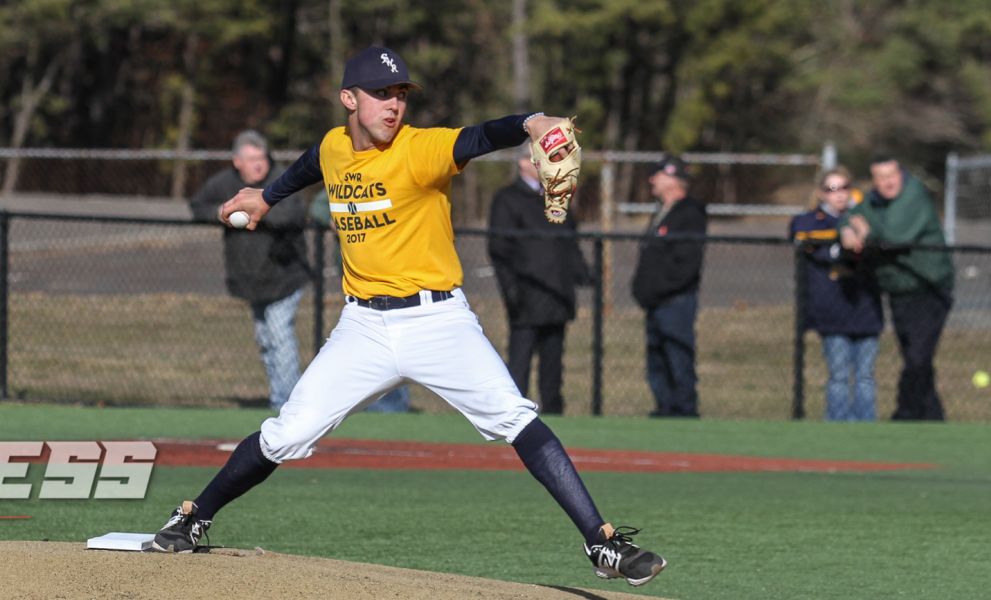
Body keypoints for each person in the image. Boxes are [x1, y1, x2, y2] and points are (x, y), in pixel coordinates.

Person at [152, 46, 666, 587]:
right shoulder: (334, 146)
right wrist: (267, 197)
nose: (393, 104)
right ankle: (193, 517)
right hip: (363, 328)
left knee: (515, 417)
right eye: (380, 94)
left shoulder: (421, 148)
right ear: (349, 99)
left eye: (400, 94)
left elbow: (480, 136)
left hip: (438, 322)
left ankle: (602, 544)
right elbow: (312, 162)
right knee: (287, 434)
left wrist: (530, 122)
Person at [188, 130, 309, 411]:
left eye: (262, 158)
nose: (258, 164)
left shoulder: (280, 179)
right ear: (237, 162)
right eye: (251, 159)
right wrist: (221, 212)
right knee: (266, 340)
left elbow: (292, 213)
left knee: (279, 337)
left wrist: (258, 209)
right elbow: (198, 206)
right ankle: (279, 397)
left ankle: (288, 405)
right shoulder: (225, 183)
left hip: (284, 278)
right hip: (251, 279)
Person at [840, 155, 954, 421]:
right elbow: (851, 217)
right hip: (899, 291)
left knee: (917, 357)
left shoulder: (913, 195)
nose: (887, 182)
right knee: (916, 359)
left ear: (900, 174)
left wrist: (865, 231)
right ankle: (933, 418)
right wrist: (846, 229)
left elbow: (895, 236)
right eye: (880, 177)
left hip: (928, 288)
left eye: (891, 175)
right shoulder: (874, 200)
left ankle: (905, 413)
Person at [487, 146, 591, 415]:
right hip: (526, 296)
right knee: (520, 360)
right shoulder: (508, 199)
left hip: (557, 294)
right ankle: (514, 415)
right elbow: (500, 249)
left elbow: (570, 243)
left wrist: (583, 274)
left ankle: (554, 413)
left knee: (553, 363)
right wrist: (511, 290)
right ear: (524, 163)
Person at [790, 167, 883, 421]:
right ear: (821, 193)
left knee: (865, 376)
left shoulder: (864, 219)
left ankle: (865, 428)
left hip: (865, 309)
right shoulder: (811, 221)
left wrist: (862, 231)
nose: (839, 194)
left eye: (844, 188)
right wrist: (842, 243)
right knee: (839, 375)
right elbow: (806, 240)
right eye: (832, 189)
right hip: (832, 311)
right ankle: (838, 426)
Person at [309, 189, 412, 413]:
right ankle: (362, 402)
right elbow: (318, 207)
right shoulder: (346, 178)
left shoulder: (394, 180)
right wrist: (336, 221)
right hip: (356, 283)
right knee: (362, 348)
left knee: (394, 345)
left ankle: (390, 407)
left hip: (396, 279)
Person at [630, 155, 707, 418]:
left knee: (678, 354)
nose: (652, 180)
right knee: (657, 357)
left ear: (674, 179)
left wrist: (661, 288)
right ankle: (665, 406)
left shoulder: (689, 213)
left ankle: (684, 409)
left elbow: (686, 263)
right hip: (655, 301)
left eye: (659, 174)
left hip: (675, 300)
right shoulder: (662, 211)